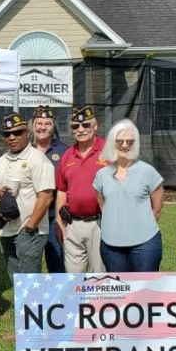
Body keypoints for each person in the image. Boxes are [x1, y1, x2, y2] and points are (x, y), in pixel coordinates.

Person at [0, 113, 54, 286]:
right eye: (7, 134)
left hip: (30, 230)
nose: (12, 137)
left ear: (27, 133)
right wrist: (2, 193)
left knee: (30, 281)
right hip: (7, 229)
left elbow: (46, 197)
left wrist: (30, 226)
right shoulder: (2, 161)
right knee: (15, 280)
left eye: (17, 132)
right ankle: (22, 312)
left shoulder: (38, 159)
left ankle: (33, 311)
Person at [93, 119, 164, 272]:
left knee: (144, 293)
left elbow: (157, 209)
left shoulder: (148, 171)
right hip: (111, 247)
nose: (125, 145)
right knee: (120, 293)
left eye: (130, 141)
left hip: (145, 246)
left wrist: (139, 227)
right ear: (112, 143)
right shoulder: (101, 175)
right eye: (120, 141)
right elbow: (102, 204)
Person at [55, 105, 106, 273]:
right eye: (75, 126)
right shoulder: (67, 155)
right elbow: (62, 190)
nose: (81, 129)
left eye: (86, 125)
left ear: (95, 126)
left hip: (99, 223)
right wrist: (60, 220)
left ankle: (96, 301)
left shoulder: (109, 151)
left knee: (99, 277)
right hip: (72, 224)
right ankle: (78, 301)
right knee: (73, 279)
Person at [30, 105, 67, 273]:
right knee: (29, 264)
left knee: (57, 262)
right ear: (33, 125)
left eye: (47, 123)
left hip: (54, 217)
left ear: (53, 127)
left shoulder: (64, 151)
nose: (42, 127)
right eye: (39, 123)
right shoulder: (24, 149)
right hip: (30, 216)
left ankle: (60, 298)